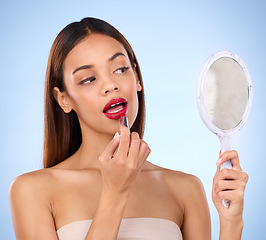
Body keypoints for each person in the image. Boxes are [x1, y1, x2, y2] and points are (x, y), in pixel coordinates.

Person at [9, 17, 248, 240]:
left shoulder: (185, 189)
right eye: (88, 79)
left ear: (137, 79)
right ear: (63, 99)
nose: (111, 85)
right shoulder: (32, 191)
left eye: (121, 69)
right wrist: (115, 193)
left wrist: (231, 224)